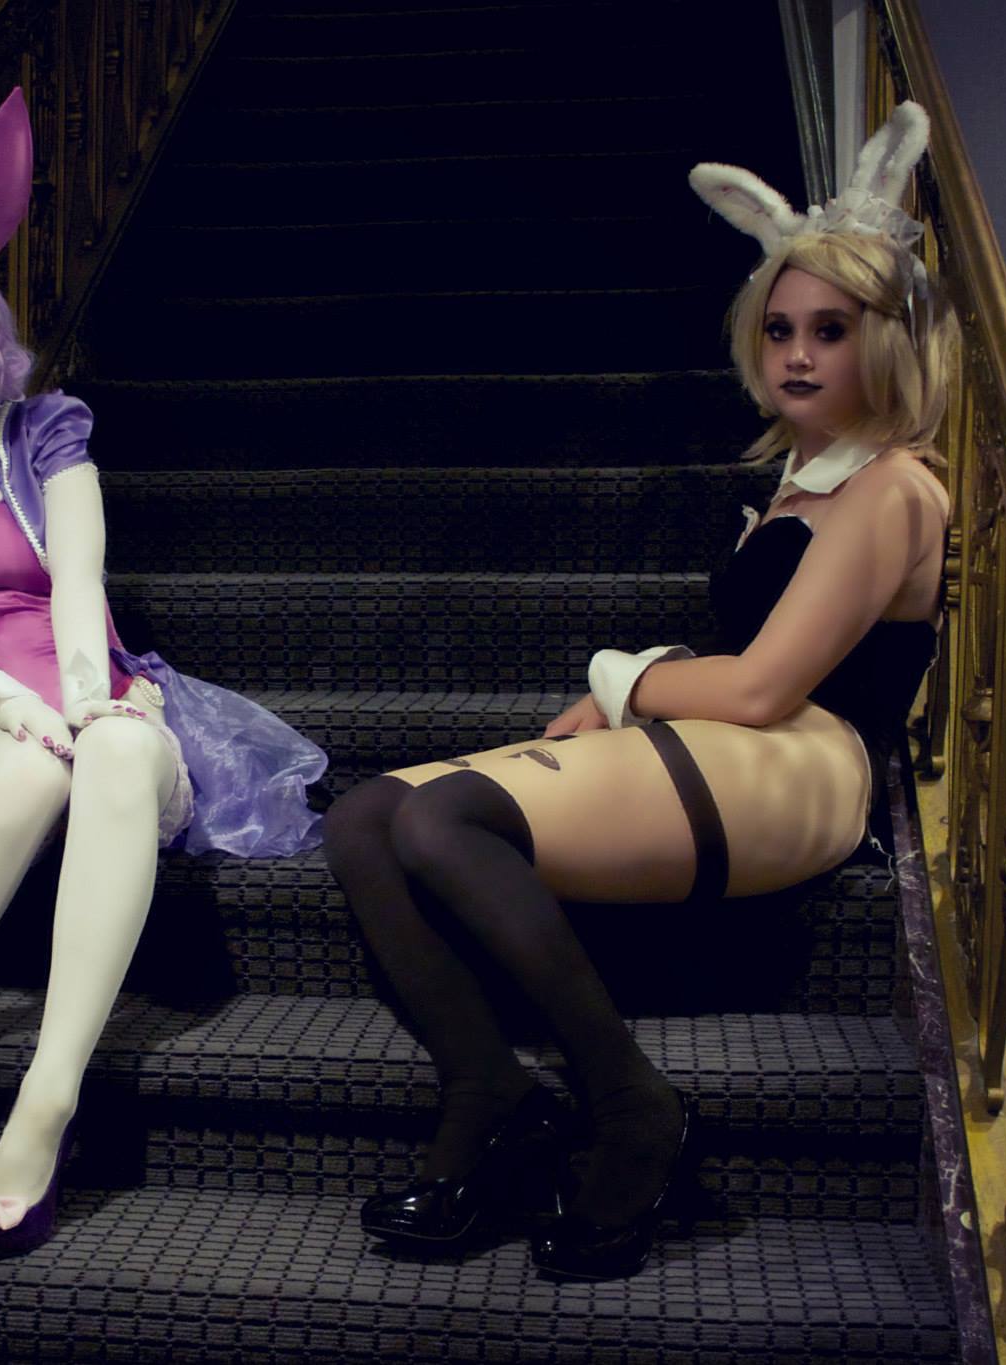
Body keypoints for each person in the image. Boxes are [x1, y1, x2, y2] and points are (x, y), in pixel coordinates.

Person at [320, 101, 957, 1281]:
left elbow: (761, 685)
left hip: (814, 760)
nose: (797, 355)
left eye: (830, 330)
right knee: (363, 818)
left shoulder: (890, 489)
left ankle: (630, 1107)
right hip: (750, 743)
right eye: (778, 329)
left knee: (442, 820)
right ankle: (491, 1093)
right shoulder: (797, 481)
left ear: (890, 341)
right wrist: (638, 694)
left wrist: (627, 679)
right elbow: (748, 661)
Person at [0, 90, 325, 1260]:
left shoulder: (48, 431)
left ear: (0, 345)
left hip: (90, 692)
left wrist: (84, 696)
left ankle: (45, 1104)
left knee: (118, 744)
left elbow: (77, 577)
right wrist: (15, 709)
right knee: (31, 773)